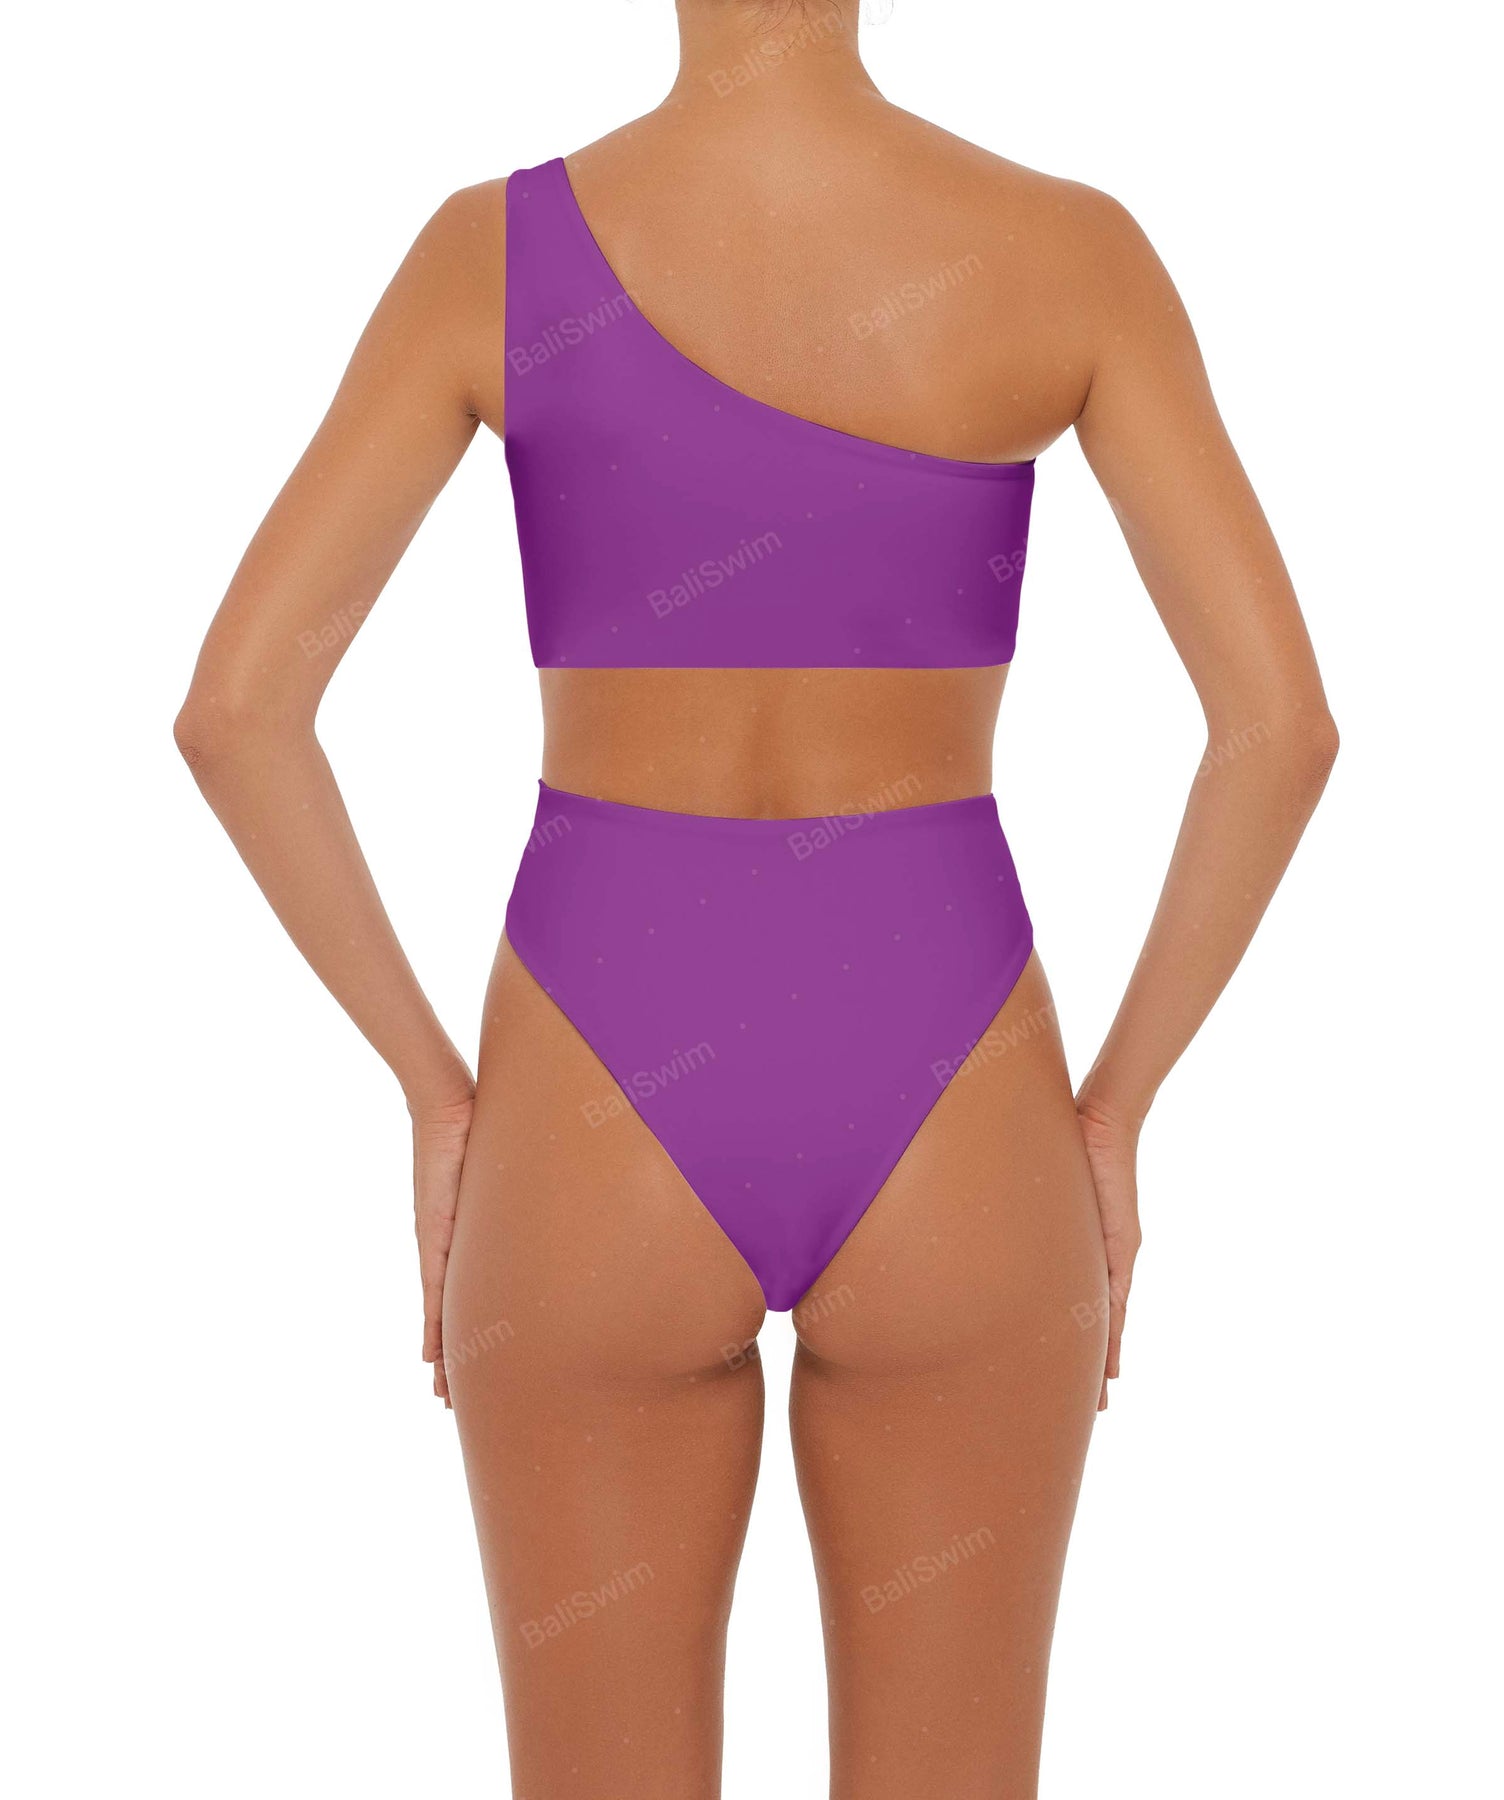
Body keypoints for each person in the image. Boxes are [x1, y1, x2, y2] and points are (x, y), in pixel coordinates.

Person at [174, 3, 1337, 1794]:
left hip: (595, 1072)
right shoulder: (1068, 252)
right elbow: (1279, 732)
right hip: (953, 1068)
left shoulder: (491, 257)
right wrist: (1114, 1111)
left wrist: (432, 1090)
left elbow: (240, 713)